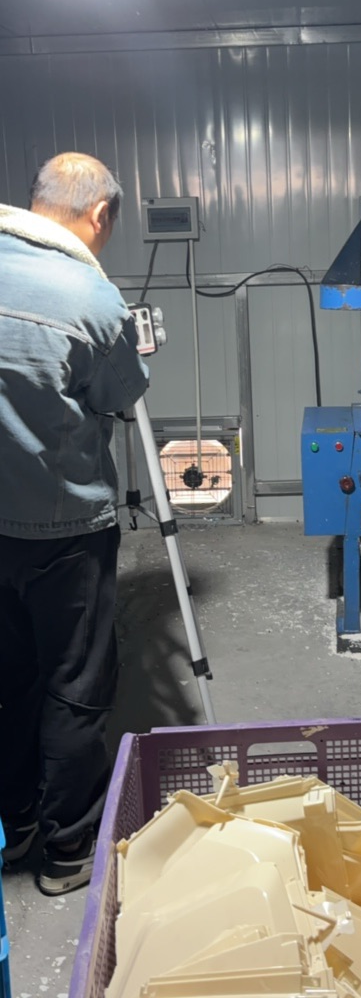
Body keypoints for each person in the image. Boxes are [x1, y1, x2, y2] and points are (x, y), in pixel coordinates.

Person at [0, 153, 149, 894]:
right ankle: (67, 851)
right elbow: (122, 394)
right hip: (64, 526)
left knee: (9, 676)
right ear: (98, 215)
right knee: (74, 684)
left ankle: (16, 823)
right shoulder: (91, 296)